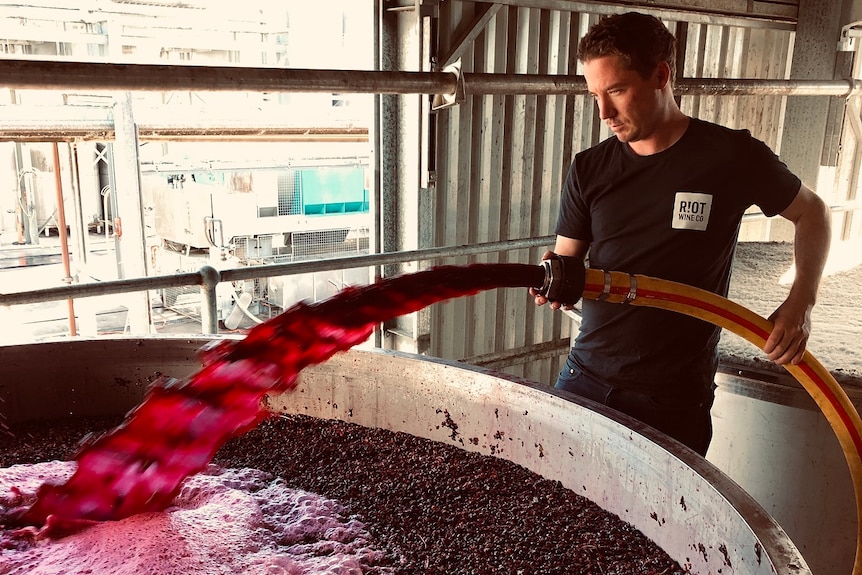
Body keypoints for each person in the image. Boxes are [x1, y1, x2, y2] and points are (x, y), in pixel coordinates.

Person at [531, 11, 831, 456]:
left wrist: (800, 301)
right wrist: (554, 280)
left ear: (661, 75)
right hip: (586, 378)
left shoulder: (730, 156)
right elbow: (567, 263)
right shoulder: (589, 168)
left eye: (615, 91)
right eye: (594, 95)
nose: (604, 113)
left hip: (672, 399)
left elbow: (813, 213)